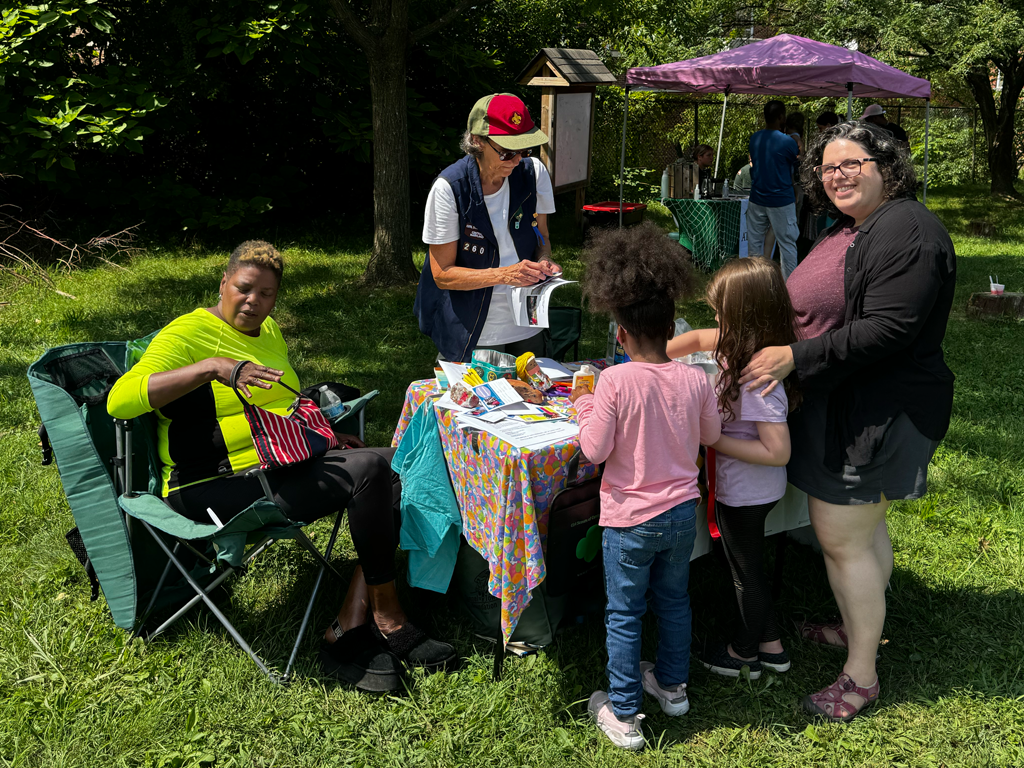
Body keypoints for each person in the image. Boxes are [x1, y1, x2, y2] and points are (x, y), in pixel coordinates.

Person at [107, 240, 457, 693]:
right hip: (209, 487)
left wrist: (329, 438)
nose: (253, 302)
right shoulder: (187, 335)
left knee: (404, 463)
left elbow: (286, 402)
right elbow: (121, 399)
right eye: (244, 288)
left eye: (266, 294)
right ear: (223, 284)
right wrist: (215, 367)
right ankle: (387, 616)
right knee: (371, 469)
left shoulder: (268, 332)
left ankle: (353, 618)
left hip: (273, 467)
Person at [740, 122, 957, 721]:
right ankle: (859, 624)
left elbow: (889, 329)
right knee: (861, 533)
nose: (837, 176)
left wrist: (795, 357)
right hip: (851, 402)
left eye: (851, 164)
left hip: (880, 411)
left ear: (887, 165)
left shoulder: (909, 232)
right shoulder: (859, 225)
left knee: (841, 537)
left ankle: (861, 677)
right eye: (827, 169)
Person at [570, 222, 721, 751]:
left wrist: (584, 405)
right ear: (670, 324)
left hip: (630, 519)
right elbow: (712, 436)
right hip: (682, 515)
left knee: (625, 613)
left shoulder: (613, 381)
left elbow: (592, 450)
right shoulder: (695, 378)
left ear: (621, 332)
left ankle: (625, 713)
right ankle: (674, 689)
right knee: (675, 601)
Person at [667, 258, 799, 680]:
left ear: (744, 314)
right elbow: (699, 338)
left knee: (746, 574)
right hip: (745, 487)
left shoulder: (755, 374)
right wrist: (651, 355)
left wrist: (713, 440)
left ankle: (743, 653)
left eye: (722, 311)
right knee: (749, 566)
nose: (717, 320)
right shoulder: (741, 342)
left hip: (747, 491)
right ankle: (773, 647)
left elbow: (778, 451)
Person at [415, 93, 560, 362]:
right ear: (477, 141)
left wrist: (544, 261)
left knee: (535, 398)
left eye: (524, 150)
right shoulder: (450, 189)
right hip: (472, 328)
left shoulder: (534, 173)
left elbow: (543, 236)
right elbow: (442, 274)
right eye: (506, 151)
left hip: (527, 322)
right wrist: (505, 275)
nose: (517, 160)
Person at [747, 100, 800, 279]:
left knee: (754, 245)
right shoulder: (788, 142)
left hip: (757, 198)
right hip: (781, 200)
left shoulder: (755, 138)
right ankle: (790, 290)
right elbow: (797, 160)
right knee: (787, 245)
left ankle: (755, 285)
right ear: (781, 117)